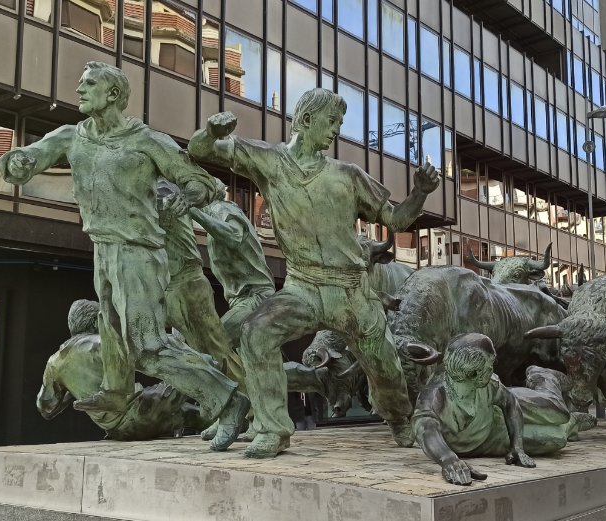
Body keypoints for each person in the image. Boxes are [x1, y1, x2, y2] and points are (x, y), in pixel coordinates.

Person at [1, 61, 248, 451]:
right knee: (111, 328)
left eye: (89, 84)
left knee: (147, 345)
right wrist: (19, 162)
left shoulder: (146, 140)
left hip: (139, 252)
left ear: (113, 94)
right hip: (103, 247)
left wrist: (191, 195)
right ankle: (116, 391)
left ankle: (228, 399)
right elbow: (32, 156)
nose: (79, 91)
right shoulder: (71, 137)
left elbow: (200, 180)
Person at [188, 88, 440, 458]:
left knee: (385, 366)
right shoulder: (268, 160)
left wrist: (419, 193)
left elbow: (395, 218)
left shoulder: (348, 175)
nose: (336, 130)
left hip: (351, 292)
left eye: (340, 123)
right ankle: (273, 428)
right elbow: (200, 151)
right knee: (256, 332)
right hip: (302, 287)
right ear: (306, 121)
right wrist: (211, 132)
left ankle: (400, 418)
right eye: (332, 121)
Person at [412, 334, 592, 485]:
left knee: (558, 412)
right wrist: (448, 459)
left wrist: (517, 447)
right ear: (473, 373)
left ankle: (543, 377)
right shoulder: (436, 394)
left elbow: (510, 402)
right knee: (557, 439)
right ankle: (572, 424)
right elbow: (425, 427)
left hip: (493, 420)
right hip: (485, 440)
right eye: (489, 366)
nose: (492, 369)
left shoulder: (489, 383)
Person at [36, 300, 205, 440]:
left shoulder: (54, 363)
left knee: (190, 413)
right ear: (97, 322)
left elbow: (46, 409)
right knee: (190, 374)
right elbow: (152, 356)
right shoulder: (102, 344)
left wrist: (70, 387)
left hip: (119, 431)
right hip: (143, 412)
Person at [156, 179, 245, 387]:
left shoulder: (163, 188)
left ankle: (249, 409)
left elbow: (234, 236)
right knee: (197, 357)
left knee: (218, 355)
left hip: (186, 284)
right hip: (168, 287)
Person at [186, 180, 276, 347]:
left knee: (212, 344)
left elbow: (234, 235)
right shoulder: (214, 219)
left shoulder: (222, 208)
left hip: (255, 298)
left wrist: (194, 213)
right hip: (244, 301)